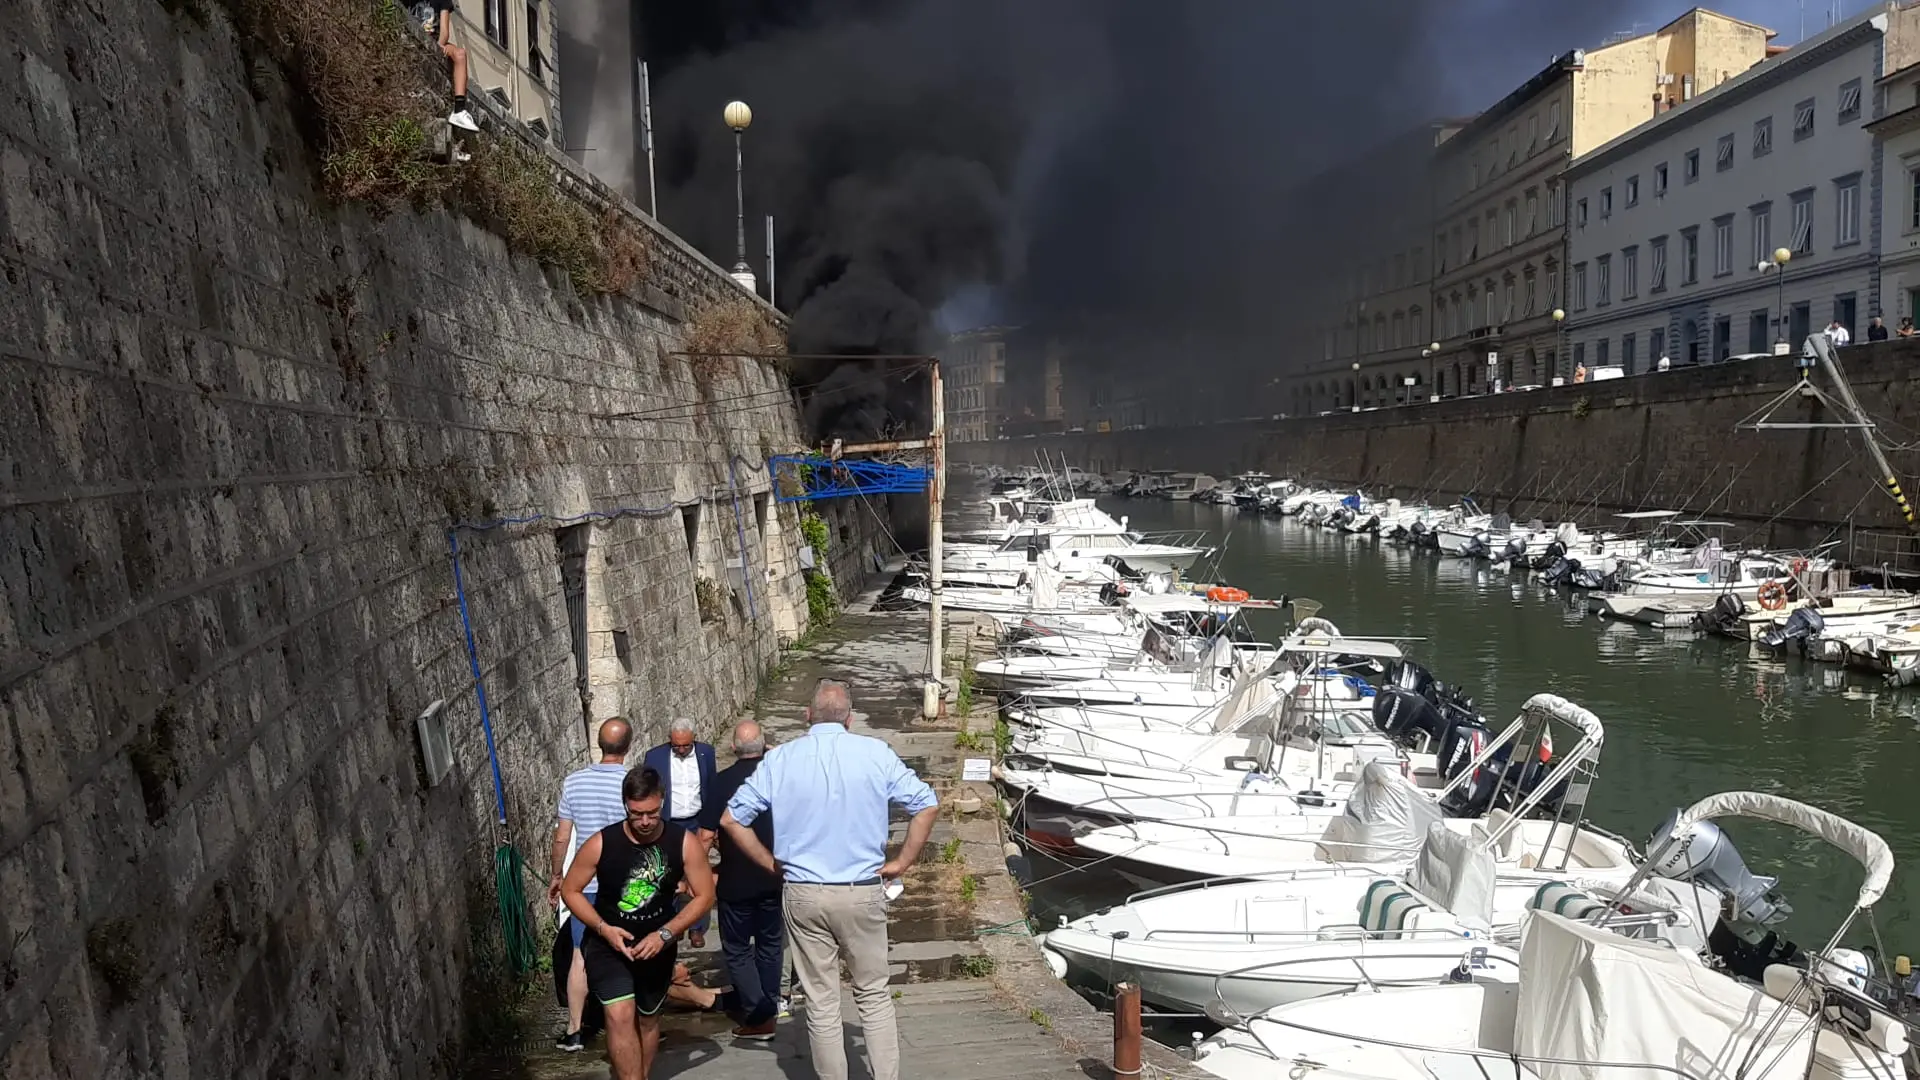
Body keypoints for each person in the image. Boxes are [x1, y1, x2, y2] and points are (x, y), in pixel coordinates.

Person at [722, 679, 940, 1080]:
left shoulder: (781, 759)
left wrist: (771, 863)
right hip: (860, 889)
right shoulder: (875, 754)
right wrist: (903, 861)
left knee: (821, 1001)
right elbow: (925, 804)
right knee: (873, 995)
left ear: (807, 716)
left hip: (804, 891)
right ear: (850, 719)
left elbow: (732, 819)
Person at [561, 768, 716, 1080]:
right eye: (636, 814)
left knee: (647, 1019)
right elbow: (570, 890)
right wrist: (603, 927)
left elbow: (704, 895)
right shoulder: (601, 843)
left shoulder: (683, 843)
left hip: (657, 947)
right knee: (619, 1015)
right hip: (608, 945)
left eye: (652, 813)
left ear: (662, 803)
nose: (645, 822)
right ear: (625, 806)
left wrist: (665, 934)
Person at [548, 718, 635, 1052]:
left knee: (580, 956)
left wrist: (558, 876)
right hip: (625, 885)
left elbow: (562, 837)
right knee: (631, 951)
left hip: (584, 885)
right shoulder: (632, 783)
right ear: (628, 745)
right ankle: (632, 1022)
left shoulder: (574, 782)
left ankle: (574, 1030)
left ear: (600, 745)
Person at [701, 721, 784, 1040]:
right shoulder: (780, 779)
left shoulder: (720, 784)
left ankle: (758, 1010)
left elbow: (706, 836)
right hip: (774, 876)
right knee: (770, 945)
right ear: (763, 746)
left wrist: (696, 878)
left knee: (736, 948)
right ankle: (770, 1004)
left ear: (733, 748)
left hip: (735, 880)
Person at [643, 719, 718, 946]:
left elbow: (711, 787)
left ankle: (697, 926)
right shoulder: (654, 757)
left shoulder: (706, 753)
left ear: (693, 740)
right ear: (670, 741)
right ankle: (672, 924)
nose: (682, 750)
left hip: (697, 821)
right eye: (677, 746)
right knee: (668, 874)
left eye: (686, 746)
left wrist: (711, 824)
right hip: (669, 822)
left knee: (699, 875)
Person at [416, 0, 479, 132]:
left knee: (460, 54)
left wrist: (438, 47)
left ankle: (459, 110)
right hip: (416, 36)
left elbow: (444, 32)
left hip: (437, 41)